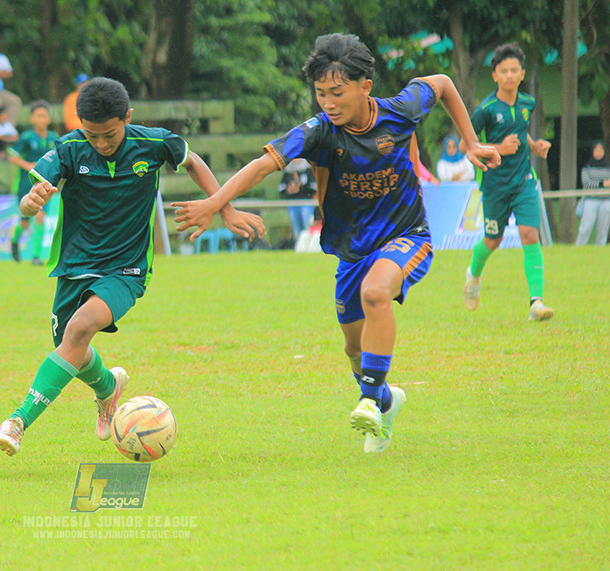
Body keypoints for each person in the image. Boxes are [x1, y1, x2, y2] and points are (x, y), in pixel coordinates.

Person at [172, 33, 500, 454]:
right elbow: (263, 165)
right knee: (353, 347)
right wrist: (216, 203)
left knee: (376, 293)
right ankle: (385, 402)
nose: (328, 102)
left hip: (407, 236)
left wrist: (471, 141)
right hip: (351, 250)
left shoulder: (401, 110)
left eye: (337, 92)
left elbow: (443, 84)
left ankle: (369, 400)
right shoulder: (318, 132)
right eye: (320, 93)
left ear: (365, 86)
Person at [0, 77, 265, 456]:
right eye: (93, 136)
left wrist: (224, 207)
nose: (102, 144)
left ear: (128, 118)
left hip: (126, 268)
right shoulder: (69, 149)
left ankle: (17, 421)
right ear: (80, 125)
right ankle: (107, 387)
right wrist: (31, 201)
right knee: (69, 347)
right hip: (75, 264)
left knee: (80, 328)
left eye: (110, 134)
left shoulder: (153, 143)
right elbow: (28, 202)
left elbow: (192, 160)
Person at [462, 43, 554, 321]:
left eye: (515, 70)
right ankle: (473, 276)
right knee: (493, 240)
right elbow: (467, 145)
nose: (510, 75)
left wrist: (534, 146)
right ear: (495, 75)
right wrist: (499, 148)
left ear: (522, 73)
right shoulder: (486, 109)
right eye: (504, 71)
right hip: (495, 185)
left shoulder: (527, 103)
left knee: (530, 235)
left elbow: (520, 130)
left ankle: (536, 303)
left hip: (524, 181)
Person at [8, 100, 59, 265]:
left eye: (44, 116)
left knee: (40, 217)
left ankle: (36, 256)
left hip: (45, 183)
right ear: (32, 119)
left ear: (49, 118)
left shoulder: (54, 138)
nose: (42, 119)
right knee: (25, 222)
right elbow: (12, 157)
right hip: (25, 183)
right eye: (38, 116)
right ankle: (14, 241)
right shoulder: (27, 137)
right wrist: (29, 165)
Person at [576, 141, 610, 246]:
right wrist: (603, 183)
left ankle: (600, 249)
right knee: (586, 227)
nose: (598, 153)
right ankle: (579, 248)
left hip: (606, 201)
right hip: (591, 200)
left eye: (601, 150)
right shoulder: (587, 167)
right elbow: (586, 183)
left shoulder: (608, 167)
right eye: (596, 150)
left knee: (603, 230)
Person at [278, 158, 317, 242]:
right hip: (292, 202)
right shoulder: (288, 170)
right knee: (296, 229)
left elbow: (314, 186)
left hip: (305, 202)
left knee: (307, 226)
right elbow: (281, 188)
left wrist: (301, 188)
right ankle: (298, 246)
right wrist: (289, 190)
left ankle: (308, 246)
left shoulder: (307, 168)